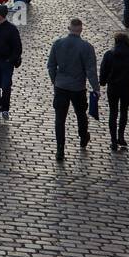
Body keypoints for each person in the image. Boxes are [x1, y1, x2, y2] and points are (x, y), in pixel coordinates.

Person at [46, 19, 98, 161]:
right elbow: (91, 70)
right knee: (81, 114)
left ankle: (60, 149)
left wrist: (55, 81)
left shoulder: (58, 44)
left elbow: (51, 66)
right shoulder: (87, 47)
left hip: (61, 86)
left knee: (60, 119)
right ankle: (83, 136)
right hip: (78, 87)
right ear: (81, 30)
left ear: (69, 28)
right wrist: (96, 88)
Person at [99, 33, 129, 152]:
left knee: (113, 113)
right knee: (124, 111)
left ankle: (113, 140)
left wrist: (102, 82)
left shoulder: (109, 55)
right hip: (127, 88)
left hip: (113, 88)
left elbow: (103, 70)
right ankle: (121, 136)